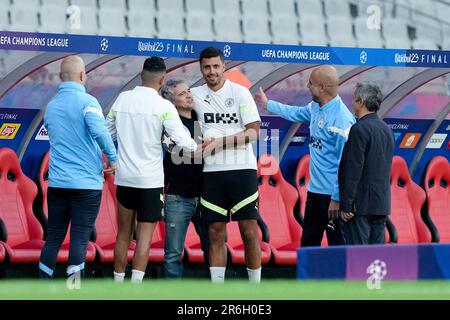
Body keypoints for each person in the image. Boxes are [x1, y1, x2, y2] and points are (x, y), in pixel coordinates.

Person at [106, 57, 199, 283]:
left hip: (125, 178)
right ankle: (136, 289)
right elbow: (184, 141)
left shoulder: (122, 99)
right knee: (144, 238)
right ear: (163, 79)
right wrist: (196, 145)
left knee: (123, 235)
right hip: (150, 182)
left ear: (141, 76)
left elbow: (106, 132)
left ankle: (117, 286)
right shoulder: (164, 106)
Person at [255, 65, 355, 247]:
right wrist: (267, 104)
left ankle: (339, 276)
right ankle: (308, 276)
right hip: (314, 192)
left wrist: (337, 198)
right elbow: (296, 113)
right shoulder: (315, 107)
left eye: (311, 83)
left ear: (322, 87)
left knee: (337, 246)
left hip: (332, 198)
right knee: (309, 243)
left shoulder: (342, 119)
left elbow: (347, 165)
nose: (307, 86)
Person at [39, 55, 118, 280]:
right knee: (79, 238)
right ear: (83, 76)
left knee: (53, 237)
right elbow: (100, 132)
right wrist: (112, 158)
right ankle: (73, 290)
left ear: (60, 77)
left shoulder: (51, 106)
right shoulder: (88, 102)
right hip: (86, 185)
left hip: (57, 184)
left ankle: (40, 289)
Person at [191, 47, 262, 283]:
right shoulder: (195, 94)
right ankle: (217, 290)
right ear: (201, 68)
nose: (211, 72)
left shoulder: (241, 93)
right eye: (206, 67)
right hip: (212, 172)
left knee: (249, 231)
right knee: (214, 232)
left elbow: (253, 133)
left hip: (243, 170)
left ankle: (256, 290)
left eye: (216, 66)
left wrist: (219, 143)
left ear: (224, 66)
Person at [160, 79, 209, 278]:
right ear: (172, 102)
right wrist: (208, 147)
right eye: (181, 94)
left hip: (206, 196)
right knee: (173, 253)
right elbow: (181, 152)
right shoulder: (169, 125)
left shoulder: (202, 120)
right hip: (177, 196)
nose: (189, 95)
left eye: (188, 91)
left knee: (213, 248)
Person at [338, 83, 394, 245]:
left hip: (360, 206)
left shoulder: (359, 129)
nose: (352, 102)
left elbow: (352, 169)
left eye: (354, 98)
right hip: (381, 204)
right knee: (375, 257)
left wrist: (346, 204)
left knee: (359, 257)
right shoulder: (386, 129)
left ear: (360, 101)